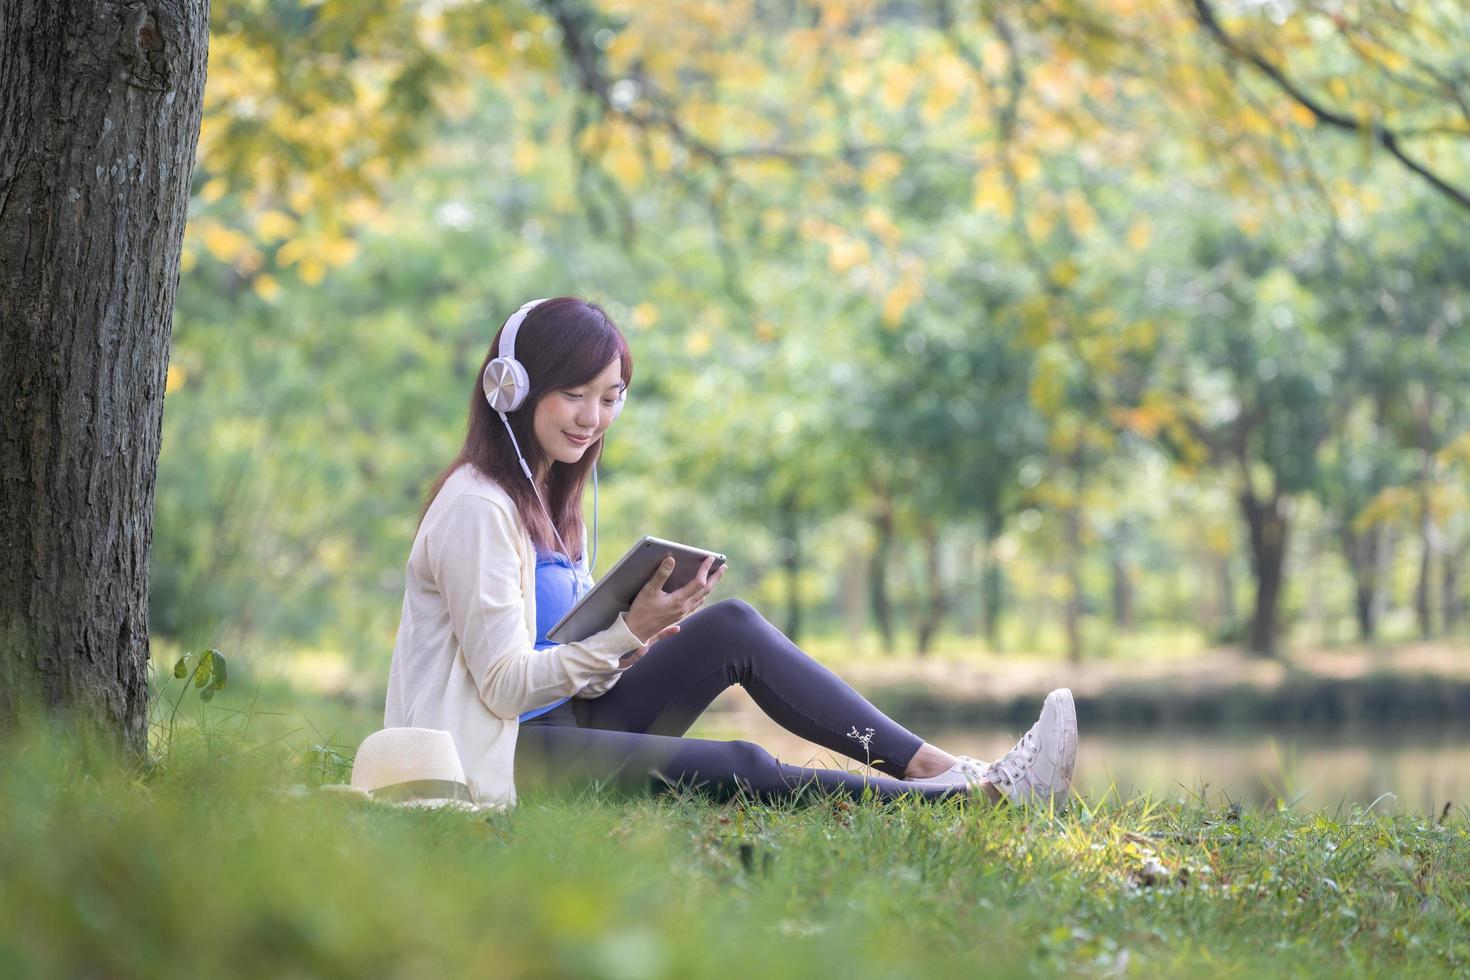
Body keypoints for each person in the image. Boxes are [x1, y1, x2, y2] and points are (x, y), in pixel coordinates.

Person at [384, 296, 1078, 808]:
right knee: (740, 761)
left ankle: (935, 766)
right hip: (496, 759)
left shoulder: (555, 496)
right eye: (573, 395)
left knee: (733, 627)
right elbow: (505, 688)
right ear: (513, 387)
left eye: (610, 397)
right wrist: (627, 633)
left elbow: (574, 673)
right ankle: (975, 803)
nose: (593, 420)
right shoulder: (479, 506)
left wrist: (636, 640)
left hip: (565, 723)